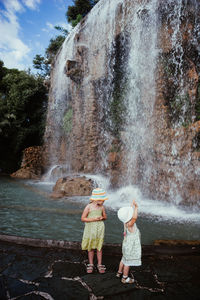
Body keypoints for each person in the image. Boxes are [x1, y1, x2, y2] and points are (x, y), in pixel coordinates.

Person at [81, 187, 108, 274]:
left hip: (99, 229)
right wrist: (94, 219)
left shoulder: (102, 207)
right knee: (91, 247)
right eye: (102, 200)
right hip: (90, 229)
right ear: (96, 199)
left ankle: (99, 264)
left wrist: (102, 218)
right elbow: (83, 218)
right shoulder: (88, 207)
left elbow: (105, 217)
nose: (103, 201)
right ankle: (91, 263)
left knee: (99, 247)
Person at [116, 199, 141, 283]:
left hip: (126, 244)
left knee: (123, 259)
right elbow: (134, 217)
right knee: (128, 262)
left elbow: (130, 215)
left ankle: (119, 272)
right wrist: (136, 207)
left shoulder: (125, 222)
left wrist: (132, 205)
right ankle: (125, 278)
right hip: (130, 246)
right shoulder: (130, 224)